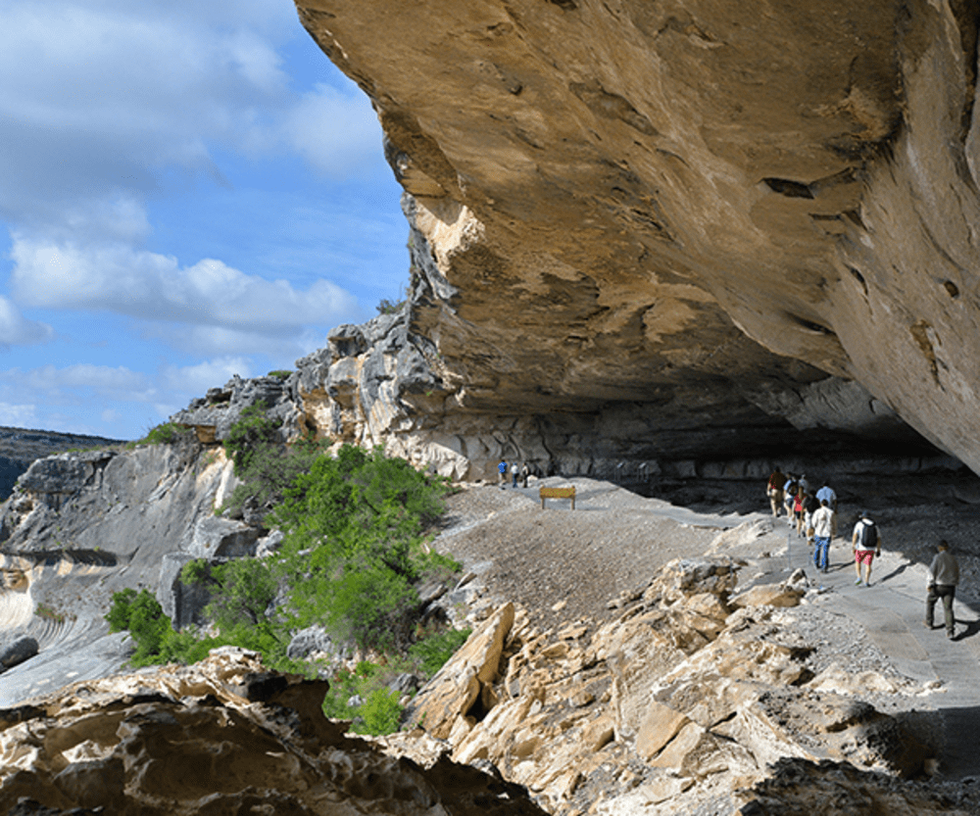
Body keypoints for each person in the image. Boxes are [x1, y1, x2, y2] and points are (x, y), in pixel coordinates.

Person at [926, 540, 959, 639]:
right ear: (947, 547)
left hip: (939, 586)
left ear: (940, 547)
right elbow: (957, 572)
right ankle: (950, 631)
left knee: (930, 601)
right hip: (950, 587)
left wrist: (929, 584)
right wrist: (955, 582)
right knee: (948, 608)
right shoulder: (953, 558)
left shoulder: (938, 557)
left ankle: (929, 622)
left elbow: (932, 571)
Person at [851, 510, 880, 586]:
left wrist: (853, 546)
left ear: (863, 517)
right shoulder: (875, 525)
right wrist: (878, 549)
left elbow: (855, 536)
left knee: (857, 561)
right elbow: (878, 538)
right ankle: (866, 581)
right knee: (868, 565)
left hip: (861, 548)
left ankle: (859, 577)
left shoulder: (859, 524)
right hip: (871, 548)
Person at [810, 498, 837, 573]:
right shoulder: (831, 512)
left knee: (817, 548)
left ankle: (816, 563)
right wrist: (834, 533)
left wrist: (816, 528)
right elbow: (834, 523)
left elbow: (813, 523)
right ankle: (824, 566)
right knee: (825, 551)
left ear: (821, 504)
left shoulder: (817, 512)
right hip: (827, 533)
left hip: (818, 533)